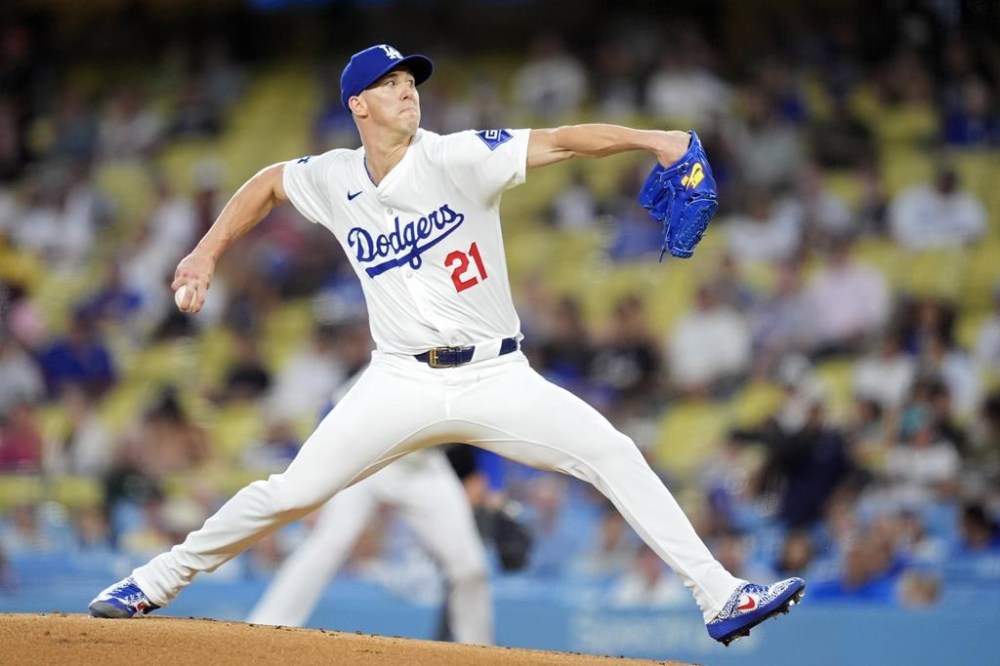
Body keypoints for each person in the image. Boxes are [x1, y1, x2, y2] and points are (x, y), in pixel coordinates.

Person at [88, 43, 804, 647]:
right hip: (398, 381)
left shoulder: (459, 157)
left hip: (497, 375)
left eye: (411, 84)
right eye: (391, 86)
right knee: (291, 493)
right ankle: (151, 581)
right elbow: (269, 183)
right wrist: (206, 253)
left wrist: (658, 140)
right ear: (357, 106)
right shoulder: (335, 178)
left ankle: (721, 596)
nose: (408, 94)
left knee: (613, 452)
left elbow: (558, 139)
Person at [246, 375, 493, 645]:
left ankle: (478, 649)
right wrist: (316, 482)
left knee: (470, 567)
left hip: (425, 468)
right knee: (329, 543)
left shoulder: (474, 376)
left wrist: (496, 486)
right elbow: (332, 412)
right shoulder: (395, 361)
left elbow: (489, 432)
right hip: (369, 459)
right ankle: (265, 627)